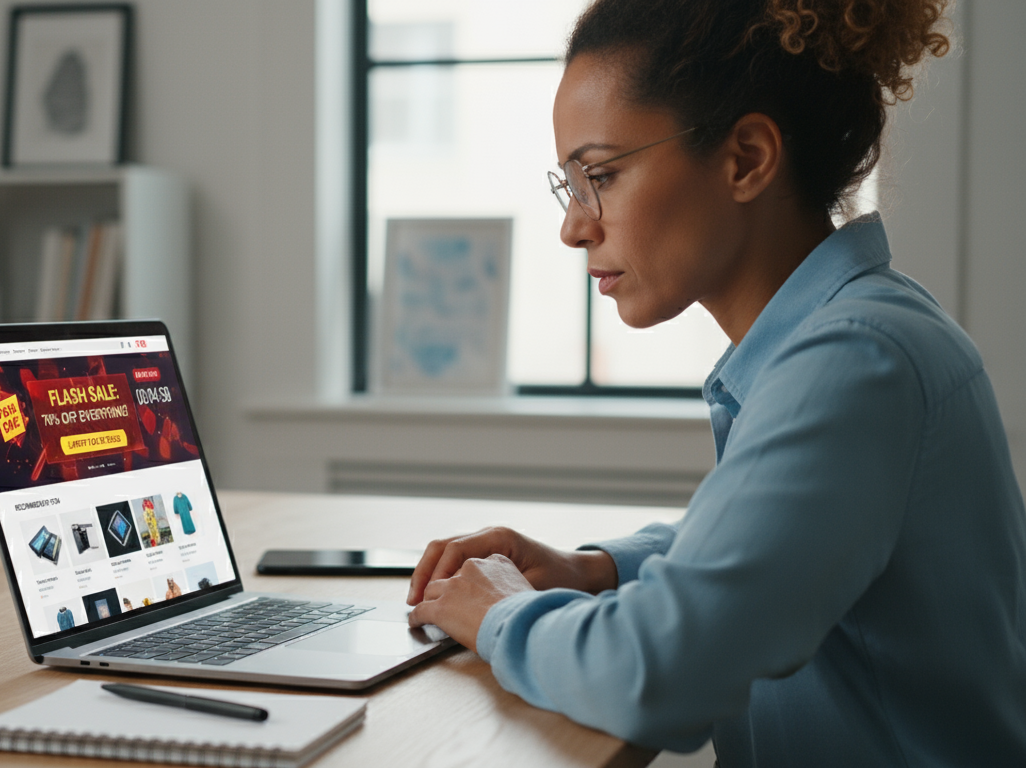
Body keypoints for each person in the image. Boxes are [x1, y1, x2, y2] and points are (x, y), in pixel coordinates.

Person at [406, 0, 1026, 765]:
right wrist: (596, 568)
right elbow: (787, 542)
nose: (574, 225)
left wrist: (503, 615)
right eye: (569, 185)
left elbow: (660, 674)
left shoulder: (856, 362)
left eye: (599, 175)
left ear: (746, 160)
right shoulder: (862, 330)